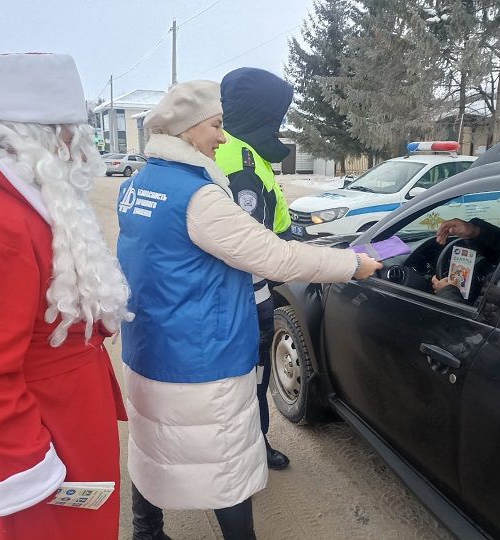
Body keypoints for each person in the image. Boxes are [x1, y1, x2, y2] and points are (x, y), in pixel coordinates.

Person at [117, 80, 381, 540]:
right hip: (203, 360)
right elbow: (277, 258)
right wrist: (352, 264)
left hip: (149, 348)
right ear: (186, 130)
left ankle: (147, 531)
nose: (222, 136)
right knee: (226, 466)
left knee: (153, 446)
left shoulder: (137, 186)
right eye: (215, 126)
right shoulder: (198, 199)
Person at [0, 53, 133, 539]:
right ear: (44, 136)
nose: (78, 148)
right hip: (39, 449)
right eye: (71, 134)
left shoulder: (23, 195)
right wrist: (26, 466)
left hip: (64, 421)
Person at [215, 67, 293, 471]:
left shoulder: (239, 149)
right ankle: (250, 455)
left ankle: (252, 447)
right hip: (246, 299)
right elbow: (253, 246)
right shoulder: (240, 161)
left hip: (238, 297)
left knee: (247, 384)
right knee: (251, 384)